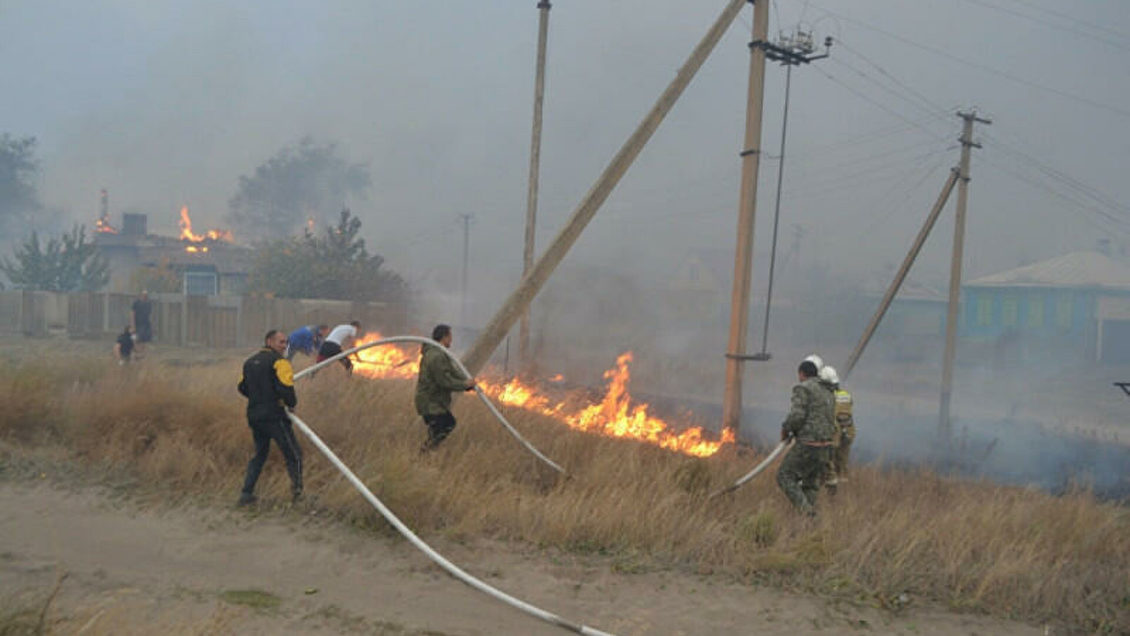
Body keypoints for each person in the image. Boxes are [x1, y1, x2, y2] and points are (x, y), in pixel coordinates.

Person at [237, 329, 302, 506]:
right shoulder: (280, 362)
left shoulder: (249, 362)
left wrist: (258, 397)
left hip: (254, 415)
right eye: (281, 342)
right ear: (269, 341)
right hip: (274, 416)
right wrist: (291, 404)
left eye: (286, 342)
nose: (284, 346)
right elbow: (286, 388)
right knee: (294, 455)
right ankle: (298, 496)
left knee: (260, 454)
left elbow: (242, 387)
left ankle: (246, 494)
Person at [776, 359, 836, 516]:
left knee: (784, 476)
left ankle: (807, 512)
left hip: (809, 444)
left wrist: (786, 429)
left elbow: (797, 416)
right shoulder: (828, 390)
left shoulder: (803, 388)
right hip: (827, 446)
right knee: (810, 483)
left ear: (801, 374)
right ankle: (808, 523)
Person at [415, 324, 476, 451]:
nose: (451, 340)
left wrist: (467, 382)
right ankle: (425, 453)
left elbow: (453, 371)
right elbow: (444, 381)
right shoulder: (436, 356)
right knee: (446, 424)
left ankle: (428, 453)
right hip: (430, 402)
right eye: (450, 336)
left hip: (434, 401)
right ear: (444, 337)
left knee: (443, 426)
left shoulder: (440, 353)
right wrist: (464, 385)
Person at [819, 365, 855, 489]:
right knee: (843, 464)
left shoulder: (827, 397)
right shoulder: (846, 394)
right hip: (849, 432)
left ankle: (831, 492)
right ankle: (844, 492)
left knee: (829, 463)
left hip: (834, 433)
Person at [131, 290, 153, 357]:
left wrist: (151, 325)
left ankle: (142, 354)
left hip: (146, 324)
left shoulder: (148, 304)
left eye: (146, 295)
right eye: (143, 295)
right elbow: (132, 314)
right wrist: (133, 325)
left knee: (145, 340)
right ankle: (135, 352)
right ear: (140, 295)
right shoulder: (136, 303)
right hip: (137, 324)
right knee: (136, 338)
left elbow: (150, 315)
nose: (145, 296)